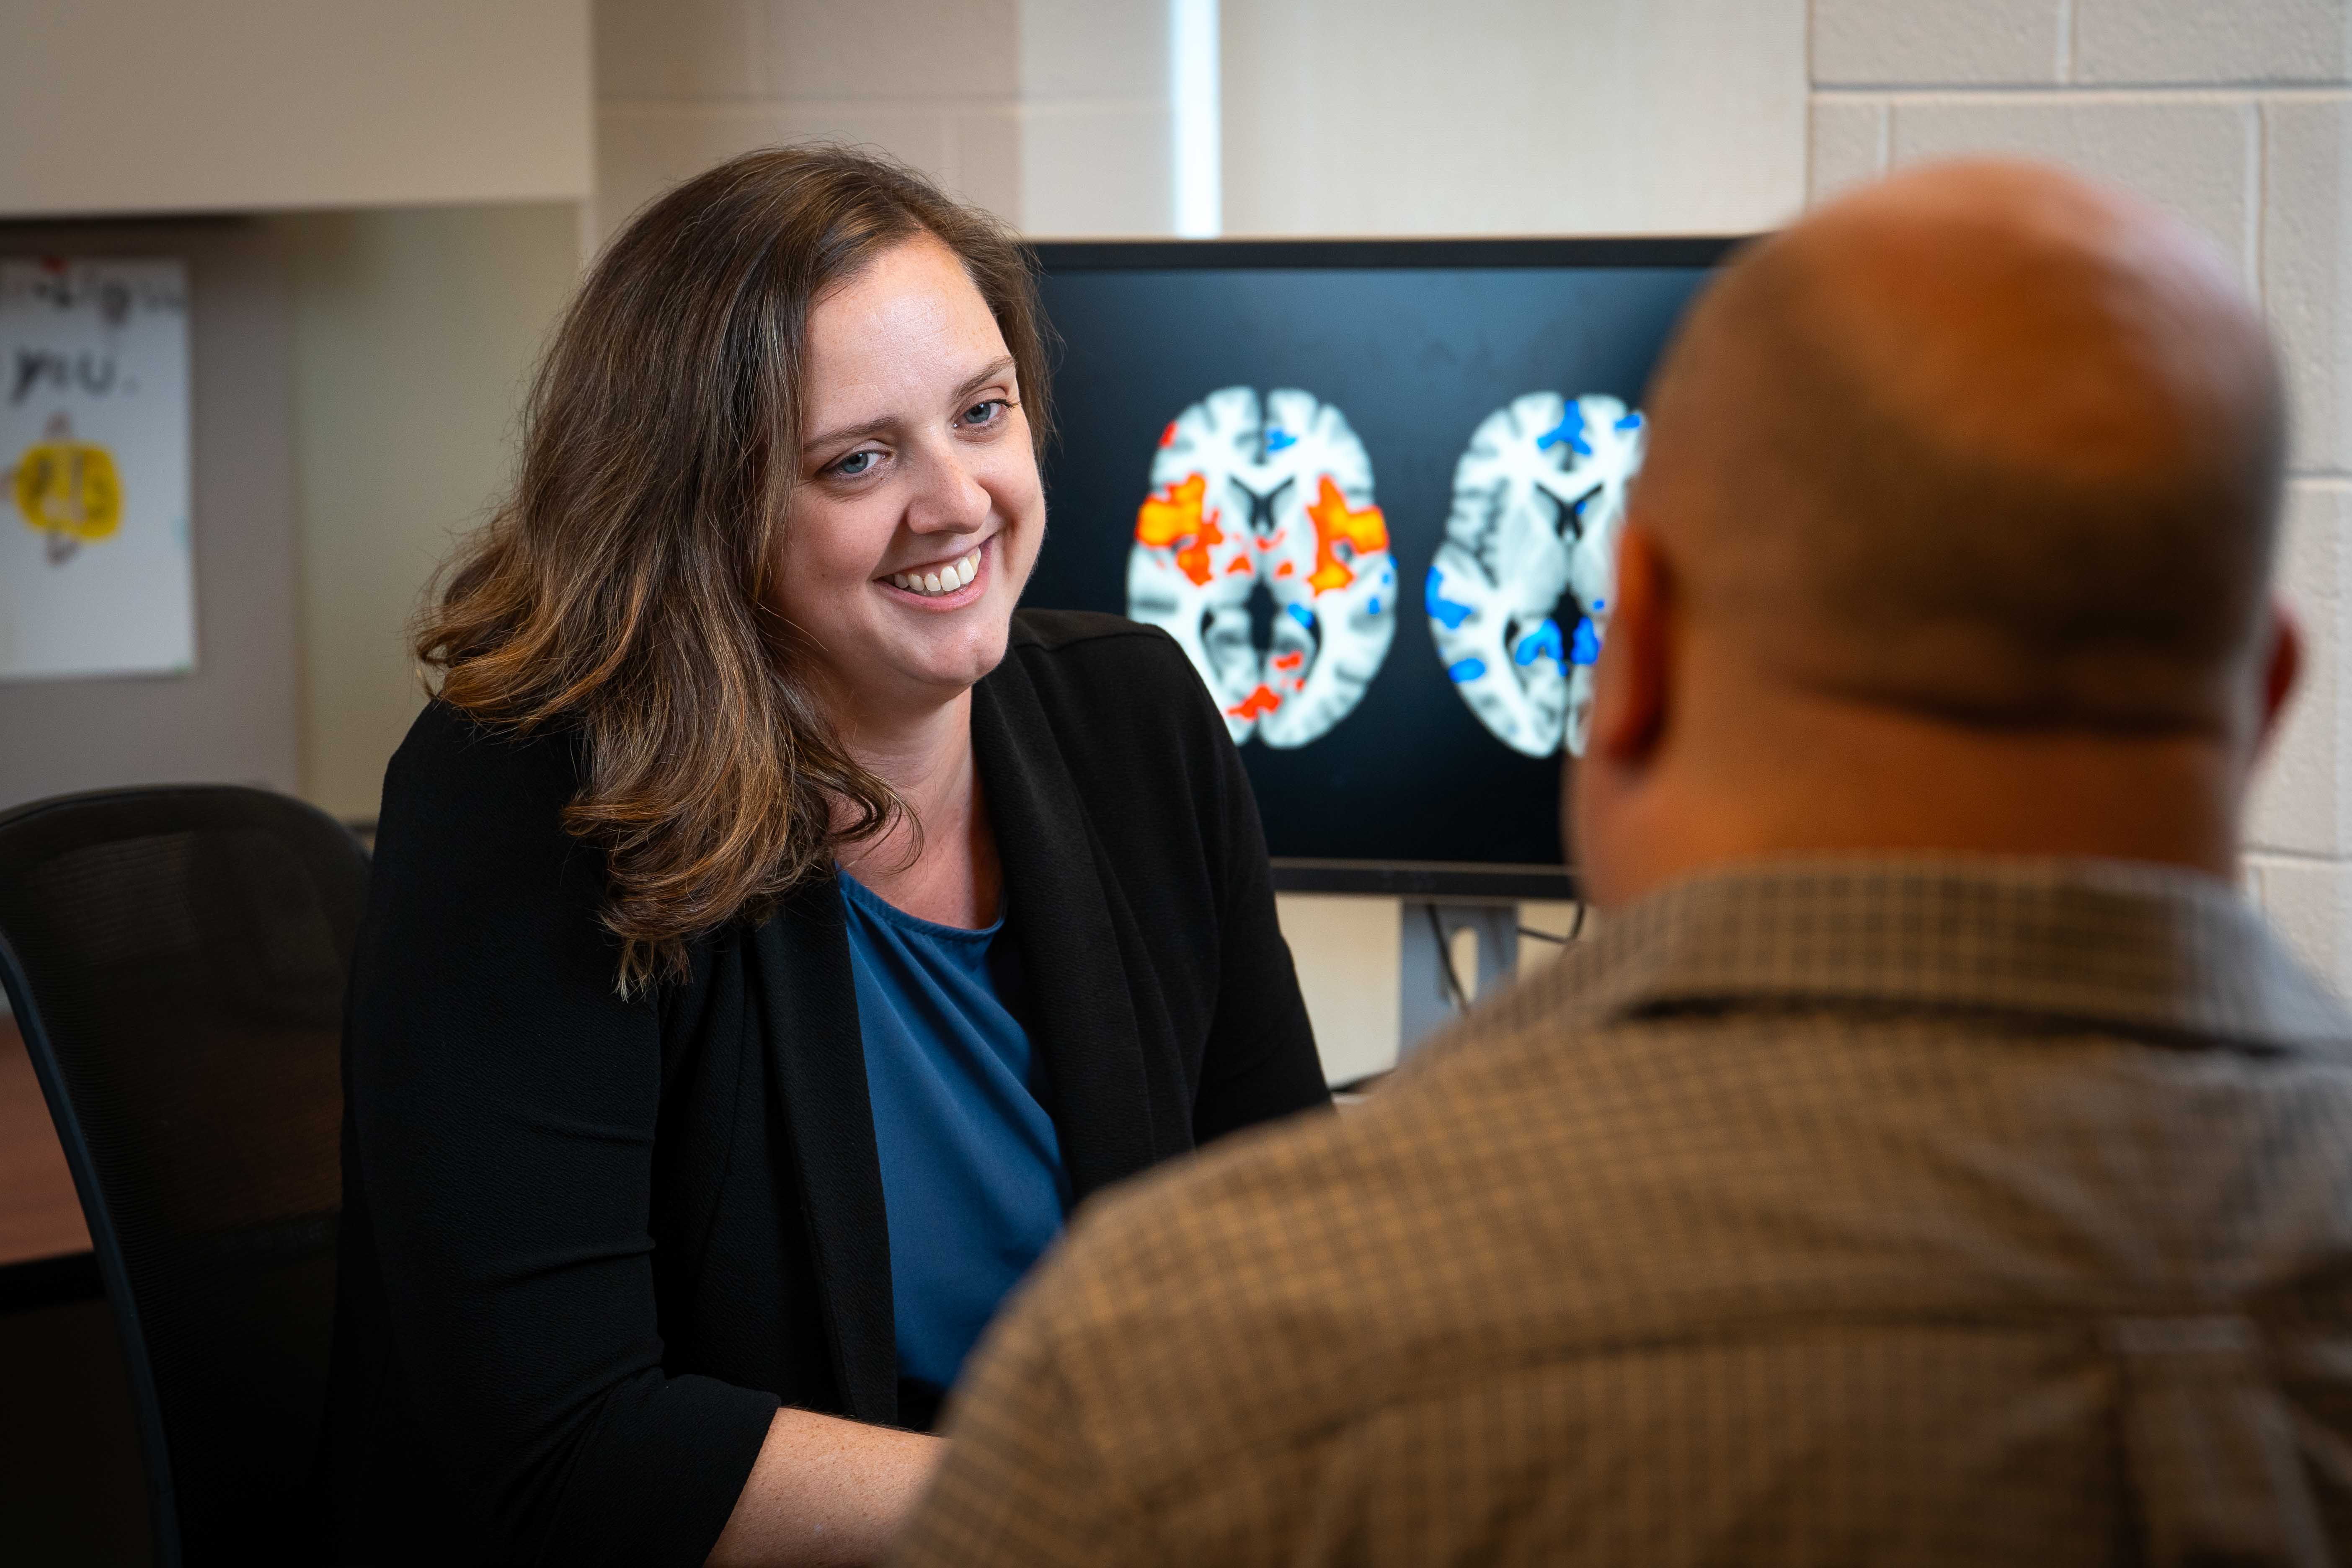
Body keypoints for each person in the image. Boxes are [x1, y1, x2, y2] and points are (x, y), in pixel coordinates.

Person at [890, 158, 2352, 1566]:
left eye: (981, 415)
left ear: (1629, 646)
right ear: (2266, 698)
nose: (950, 498)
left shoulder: (1186, 1369)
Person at [321, 145, 1330, 1567]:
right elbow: (568, 1448)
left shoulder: (1136, 719)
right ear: (700, 515)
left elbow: (1288, 1244)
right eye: (858, 459)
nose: (958, 502)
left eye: (982, 414)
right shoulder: (533, 797)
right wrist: (1084, 1501)